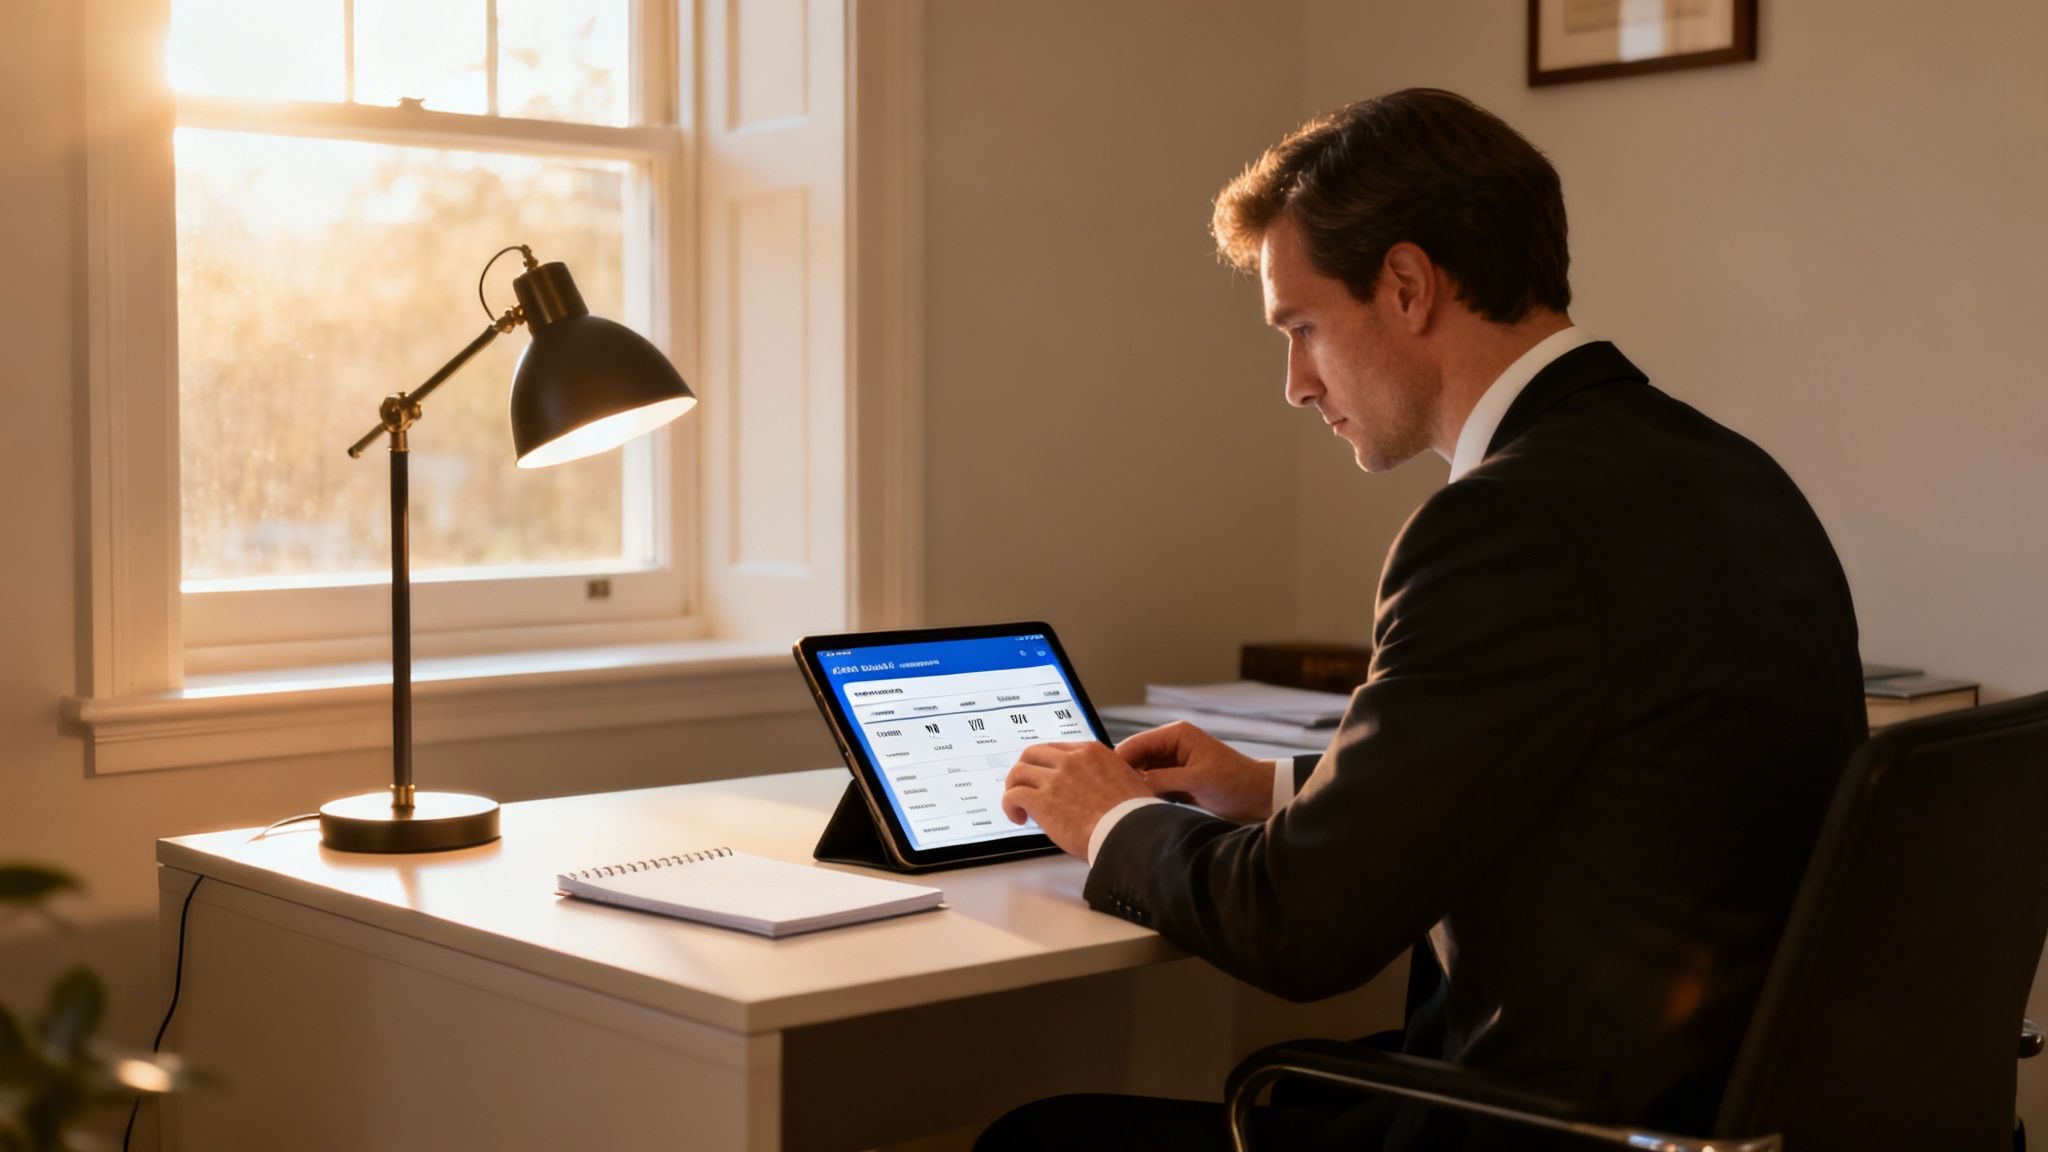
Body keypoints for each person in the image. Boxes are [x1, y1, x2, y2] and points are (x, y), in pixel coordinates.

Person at [980, 88, 1866, 1151]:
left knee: (1039, 1138)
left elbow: (1299, 930)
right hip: (1722, 1110)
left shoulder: (1501, 523)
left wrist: (1106, 816)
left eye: (1301, 327)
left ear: (1404, 286)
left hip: (1557, 1126)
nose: (1294, 385)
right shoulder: (1727, 473)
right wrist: (1275, 790)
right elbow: (1610, 790)